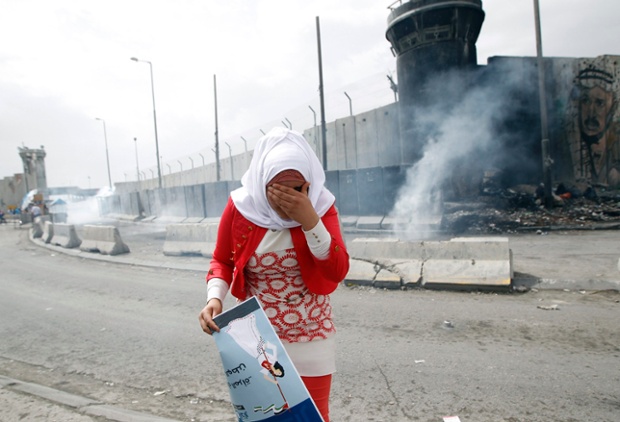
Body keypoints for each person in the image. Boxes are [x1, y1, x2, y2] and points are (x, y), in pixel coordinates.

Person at [198, 127, 350, 422]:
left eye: (297, 189)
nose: (287, 200)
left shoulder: (321, 206)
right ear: (261, 182)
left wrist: (309, 220)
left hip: (311, 334)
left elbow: (337, 270)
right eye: (277, 190)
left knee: (312, 417)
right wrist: (214, 298)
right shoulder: (242, 207)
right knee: (265, 417)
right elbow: (222, 259)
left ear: (309, 186)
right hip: (258, 338)